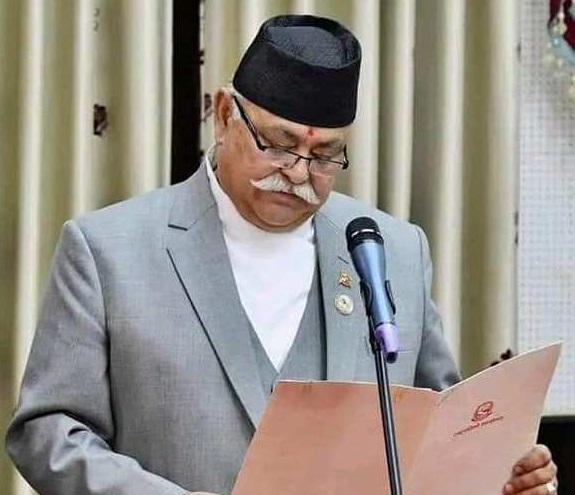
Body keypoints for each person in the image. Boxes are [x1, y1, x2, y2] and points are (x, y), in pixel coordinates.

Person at [6, 14, 558, 495]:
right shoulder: (108, 250)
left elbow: (437, 434)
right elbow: (47, 431)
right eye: (278, 144)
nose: (297, 172)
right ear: (224, 115)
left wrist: (499, 477)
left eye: (324, 155)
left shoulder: (391, 249)